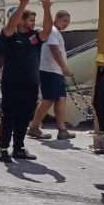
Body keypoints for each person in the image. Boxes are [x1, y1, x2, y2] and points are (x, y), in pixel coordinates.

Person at [0, 0, 54, 163]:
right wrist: (22, 5)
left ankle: (19, 147)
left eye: (33, 20)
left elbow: (48, 30)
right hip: (12, 82)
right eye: (29, 19)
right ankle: (3, 149)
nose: (32, 23)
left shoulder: (34, 37)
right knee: (9, 115)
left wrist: (47, 9)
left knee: (24, 115)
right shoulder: (9, 35)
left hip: (30, 83)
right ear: (20, 19)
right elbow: (10, 26)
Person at [29, 9, 74, 140]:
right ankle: (34, 127)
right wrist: (64, 67)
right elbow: (54, 49)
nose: (66, 24)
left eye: (68, 22)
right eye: (64, 21)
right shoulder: (53, 31)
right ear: (57, 19)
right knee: (48, 100)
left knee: (61, 98)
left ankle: (62, 129)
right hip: (49, 71)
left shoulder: (57, 32)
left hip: (56, 71)